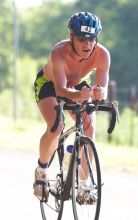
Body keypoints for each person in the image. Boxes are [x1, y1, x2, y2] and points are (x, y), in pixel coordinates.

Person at [33, 12, 110, 202]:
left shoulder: (102, 55)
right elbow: (60, 90)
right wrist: (79, 95)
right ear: (71, 38)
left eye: (91, 38)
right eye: (82, 38)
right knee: (56, 126)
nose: (87, 43)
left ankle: (83, 185)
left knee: (89, 126)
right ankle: (41, 171)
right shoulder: (59, 52)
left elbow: (102, 88)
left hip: (77, 85)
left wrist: (100, 94)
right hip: (50, 85)